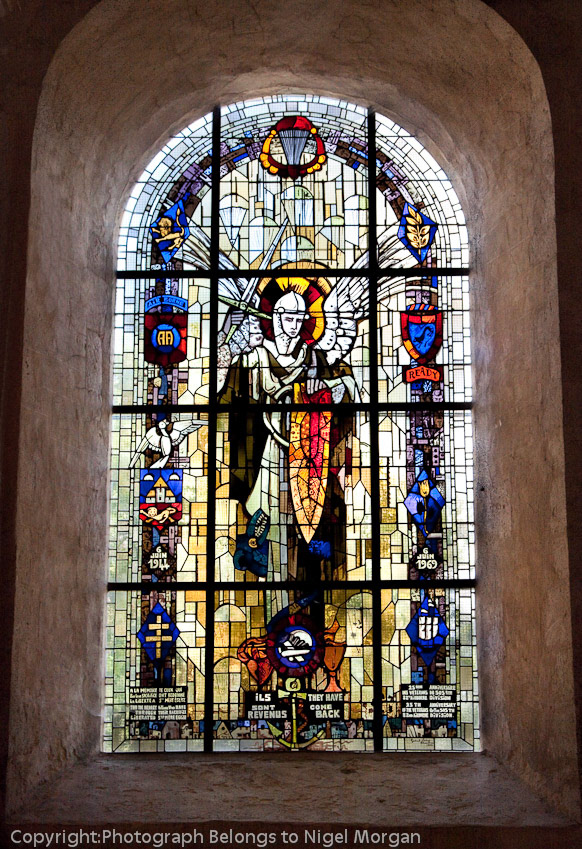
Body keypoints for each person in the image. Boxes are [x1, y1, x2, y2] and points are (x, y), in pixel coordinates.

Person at [217, 276, 360, 580]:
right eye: (286, 315)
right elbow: (221, 394)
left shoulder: (315, 359)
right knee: (269, 528)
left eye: (299, 316)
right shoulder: (254, 358)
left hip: (309, 461)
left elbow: (348, 388)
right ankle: (270, 595)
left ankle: (309, 600)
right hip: (267, 459)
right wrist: (228, 337)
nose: (293, 323)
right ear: (273, 317)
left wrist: (325, 387)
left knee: (307, 535)